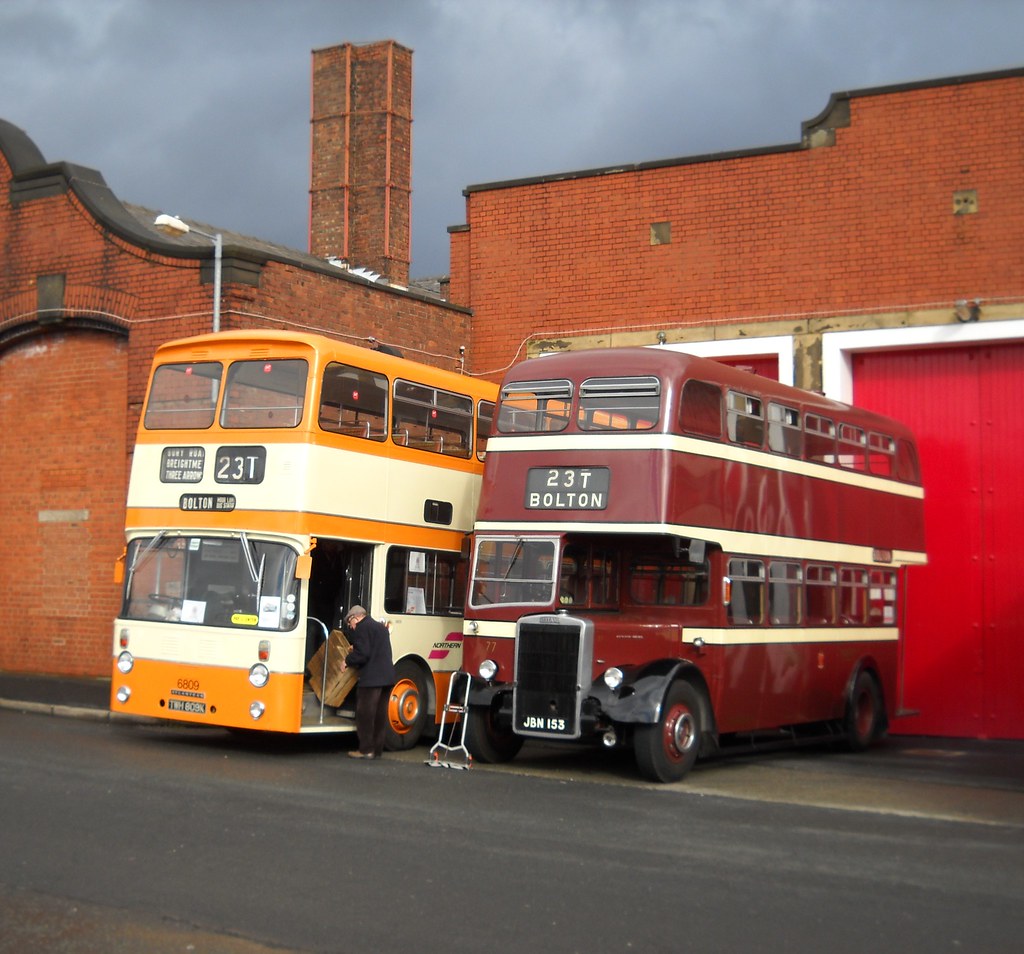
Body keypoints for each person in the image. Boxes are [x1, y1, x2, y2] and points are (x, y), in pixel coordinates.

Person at [339, 605, 397, 759]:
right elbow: (375, 648)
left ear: (355, 618)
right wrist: (356, 647)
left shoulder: (361, 628)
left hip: (372, 679)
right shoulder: (379, 627)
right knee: (379, 715)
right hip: (387, 677)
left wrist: (347, 660)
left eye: (350, 623)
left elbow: (363, 654)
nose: (351, 627)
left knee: (365, 714)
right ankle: (377, 750)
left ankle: (365, 749)